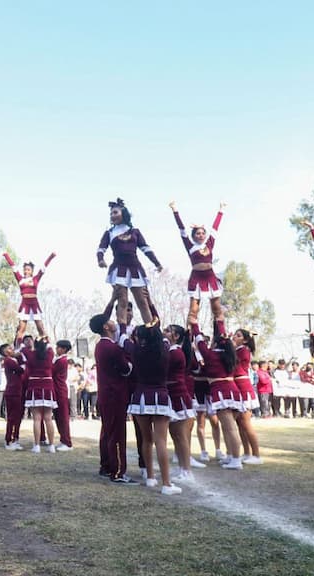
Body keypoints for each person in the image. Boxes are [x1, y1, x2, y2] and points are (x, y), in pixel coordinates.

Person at [128, 321, 182, 495]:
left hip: (140, 397)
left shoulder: (135, 350)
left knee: (146, 439)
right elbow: (160, 331)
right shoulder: (165, 350)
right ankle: (166, 484)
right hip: (160, 396)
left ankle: (150, 477)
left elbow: (123, 334)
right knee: (161, 441)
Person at [96, 198, 162, 331]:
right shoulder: (109, 233)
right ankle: (123, 333)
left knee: (142, 301)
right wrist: (100, 259)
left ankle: (151, 332)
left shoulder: (135, 231)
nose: (112, 216)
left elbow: (145, 248)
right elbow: (101, 248)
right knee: (122, 301)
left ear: (124, 214)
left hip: (135, 268)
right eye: (111, 214)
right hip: (118, 269)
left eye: (115, 212)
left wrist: (157, 263)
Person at [191, 320, 244, 469]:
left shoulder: (211, 355)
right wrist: (219, 321)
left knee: (230, 428)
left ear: (216, 344)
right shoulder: (229, 354)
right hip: (232, 390)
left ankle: (236, 459)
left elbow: (199, 339)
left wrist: (194, 323)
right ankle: (230, 455)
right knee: (228, 427)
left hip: (222, 391)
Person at [90, 312, 135, 484]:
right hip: (115, 394)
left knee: (107, 431)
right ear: (105, 327)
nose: (113, 322)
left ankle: (106, 465)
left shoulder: (100, 346)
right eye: (110, 321)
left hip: (106, 394)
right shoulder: (113, 347)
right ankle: (117, 471)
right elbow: (127, 369)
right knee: (117, 432)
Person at [169, 201, 225, 325]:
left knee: (216, 309)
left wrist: (221, 210)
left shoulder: (210, 243)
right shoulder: (189, 246)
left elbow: (215, 228)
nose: (201, 235)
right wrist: (175, 210)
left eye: (203, 233)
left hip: (210, 276)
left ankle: (221, 336)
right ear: (193, 236)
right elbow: (181, 229)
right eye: (198, 233)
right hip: (196, 277)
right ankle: (191, 336)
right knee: (193, 310)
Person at [164, 324, 202, 481]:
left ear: (176, 336)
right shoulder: (172, 351)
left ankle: (187, 471)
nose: (164, 332)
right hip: (173, 396)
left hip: (179, 396)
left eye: (167, 331)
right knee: (175, 436)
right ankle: (182, 468)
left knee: (180, 436)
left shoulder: (175, 353)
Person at [3, 250, 56, 342]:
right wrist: (6, 255)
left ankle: (46, 346)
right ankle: (18, 347)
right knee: (21, 329)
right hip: (25, 303)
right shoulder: (20, 278)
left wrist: (51, 256)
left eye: (28, 270)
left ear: (32, 271)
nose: (26, 271)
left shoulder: (36, 278)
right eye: (25, 270)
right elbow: (13, 266)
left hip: (34, 303)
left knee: (40, 327)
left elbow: (44, 267)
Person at [21, 337, 58, 453]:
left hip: (34, 385)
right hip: (47, 386)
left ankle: (36, 446)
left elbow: (22, 346)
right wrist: (46, 339)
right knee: (48, 418)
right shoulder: (50, 354)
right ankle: (51, 446)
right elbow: (50, 346)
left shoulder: (30, 354)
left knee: (36, 418)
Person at [231, 329, 262, 464]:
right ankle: (247, 453)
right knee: (240, 424)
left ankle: (256, 455)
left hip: (243, 387)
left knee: (246, 423)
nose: (234, 337)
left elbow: (236, 367)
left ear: (244, 340)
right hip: (237, 386)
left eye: (238, 336)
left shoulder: (243, 350)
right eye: (235, 335)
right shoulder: (237, 350)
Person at [0, 343, 25, 450]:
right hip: (12, 391)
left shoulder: (12, 360)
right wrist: (21, 359)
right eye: (9, 348)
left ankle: (15, 439)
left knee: (17, 416)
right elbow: (21, 370)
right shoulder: (8, 361)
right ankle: (9, 440)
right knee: (12, 417)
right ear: (5, 352)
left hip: (17, 390)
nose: (12, 349)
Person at [52, 340, 74, 451]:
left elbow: (51, 371)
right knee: (58, 417)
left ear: (64, 349)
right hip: (56, 390)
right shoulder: (59, 360)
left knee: (63, 417)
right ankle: (63, 439)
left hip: (60, 390)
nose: (57, 349)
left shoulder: (62, 361)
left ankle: (67, 442)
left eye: (59, 347)